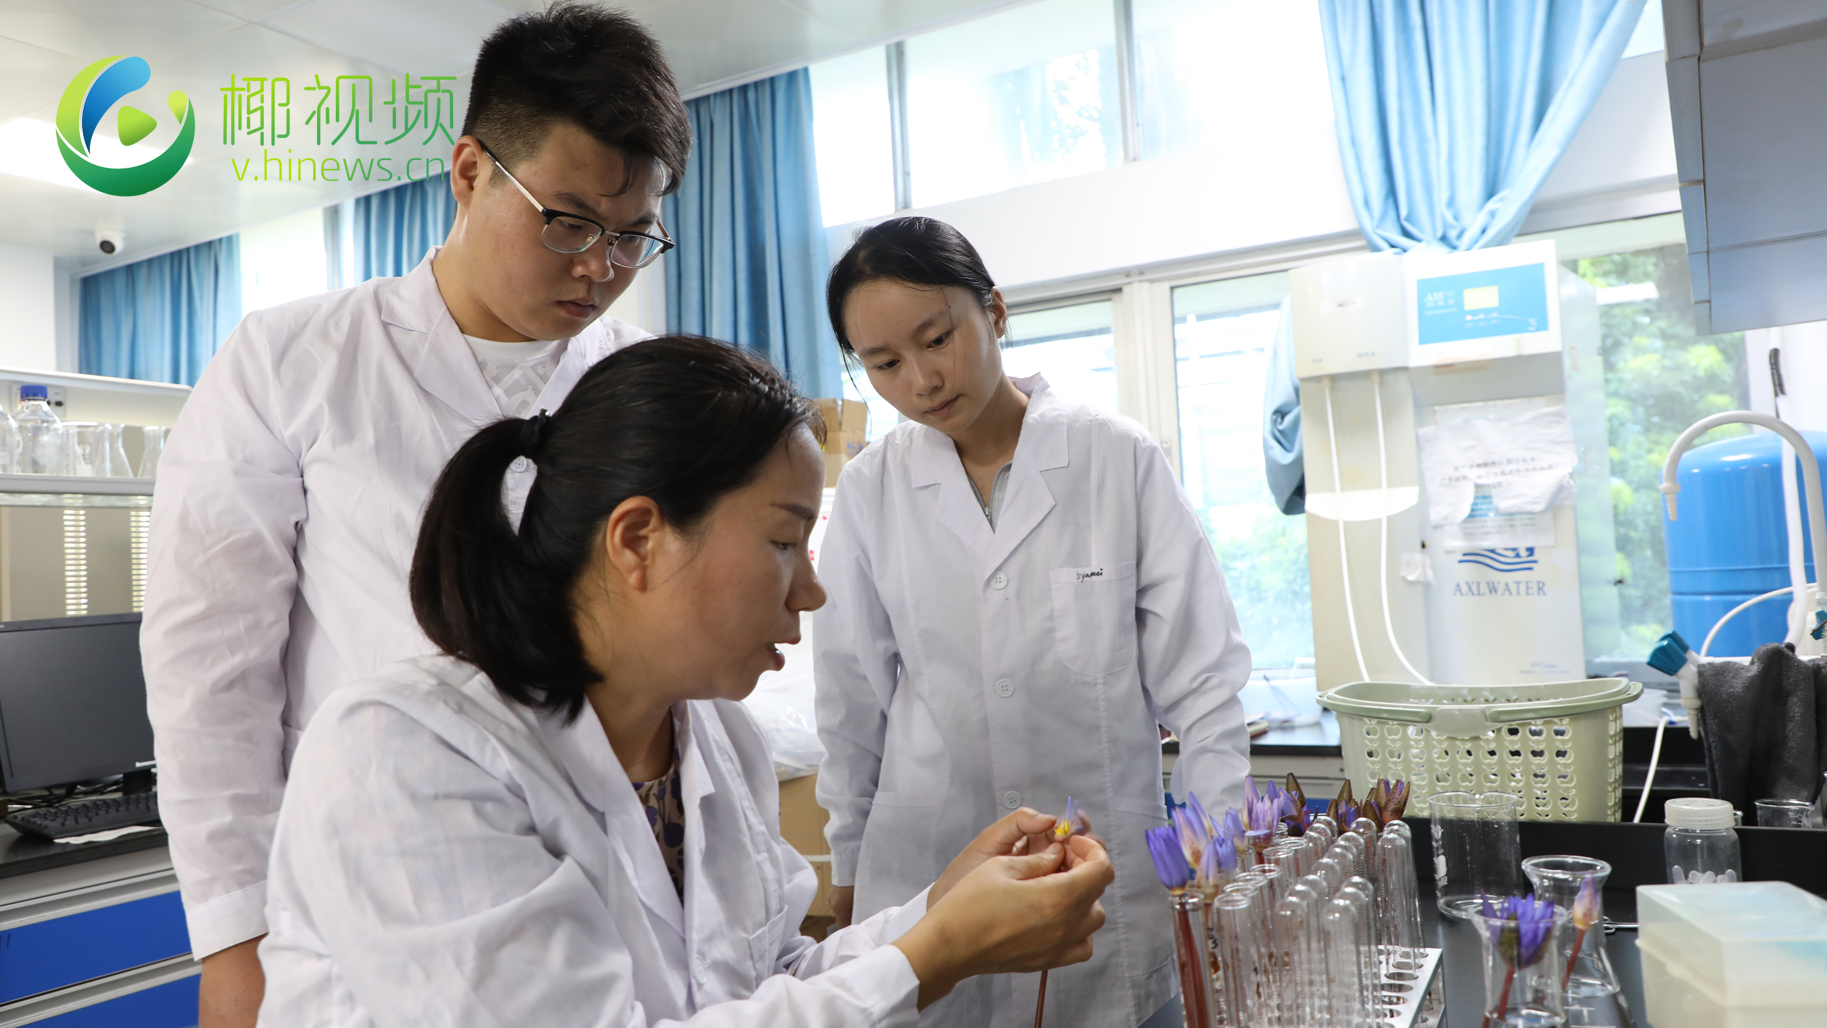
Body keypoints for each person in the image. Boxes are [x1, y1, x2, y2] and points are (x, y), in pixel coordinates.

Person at [256, 335, 1114, 1027]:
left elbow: (766, 983)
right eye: (784, 543)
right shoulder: (403, 754)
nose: (811, 592)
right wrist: (936, 953)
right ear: (638, 539)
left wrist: (939, 911)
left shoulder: (715, 739)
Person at [141, 7, 690, 1025]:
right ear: (471, 170)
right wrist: (232, 936)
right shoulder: (292, 361)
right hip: (365, 907)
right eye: (568, 221)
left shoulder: (637, 385)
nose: (598, 267)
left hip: (598, 899)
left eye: (631, 236)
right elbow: (208, 673)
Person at [814, 217, 1255, 1027]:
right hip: (926, 874)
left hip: (1103, 878)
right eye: (884, 363)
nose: (921, 379)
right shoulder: (871, 492)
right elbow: (849, 704)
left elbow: (1203, 687)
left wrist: (1212, 855)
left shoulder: (1114, 458)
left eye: (937, 339)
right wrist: (847, 863)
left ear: (995, 311)